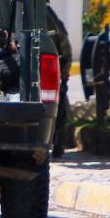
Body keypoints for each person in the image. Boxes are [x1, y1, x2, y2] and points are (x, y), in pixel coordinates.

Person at [48, 9, 74, 158]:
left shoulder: (48, 15)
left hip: (53, 69)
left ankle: (59, 144)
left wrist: (64, 71)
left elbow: (63, 43)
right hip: (52, 69)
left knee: (59, 110)